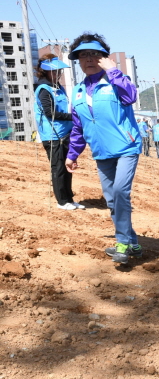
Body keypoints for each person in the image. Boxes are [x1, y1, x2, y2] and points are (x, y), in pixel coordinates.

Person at [64, 32, 142, 264]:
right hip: (101, 152)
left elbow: (131, 96)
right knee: (111, 199)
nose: (88, 59)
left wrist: (114, 70)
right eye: (83, 55)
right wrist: (72, 154)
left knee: (120, 192)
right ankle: (133, 243)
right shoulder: (77, 91)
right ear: (78, 61)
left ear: (103, 58)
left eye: (94, 54)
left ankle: (122, 244)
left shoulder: (115, 80)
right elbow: (78, 128)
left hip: (126, 146)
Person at [33, 54, 82, 211]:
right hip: (53, 136)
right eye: (54, 71)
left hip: (65, 133)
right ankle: (61, 201)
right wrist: (74, 117)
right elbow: (50, 113)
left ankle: (69, 198)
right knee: (58, 168)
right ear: (45, 72)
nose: (58, 74)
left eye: (59, 71)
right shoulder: (43, 89)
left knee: (68, 167)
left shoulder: (58, 87)